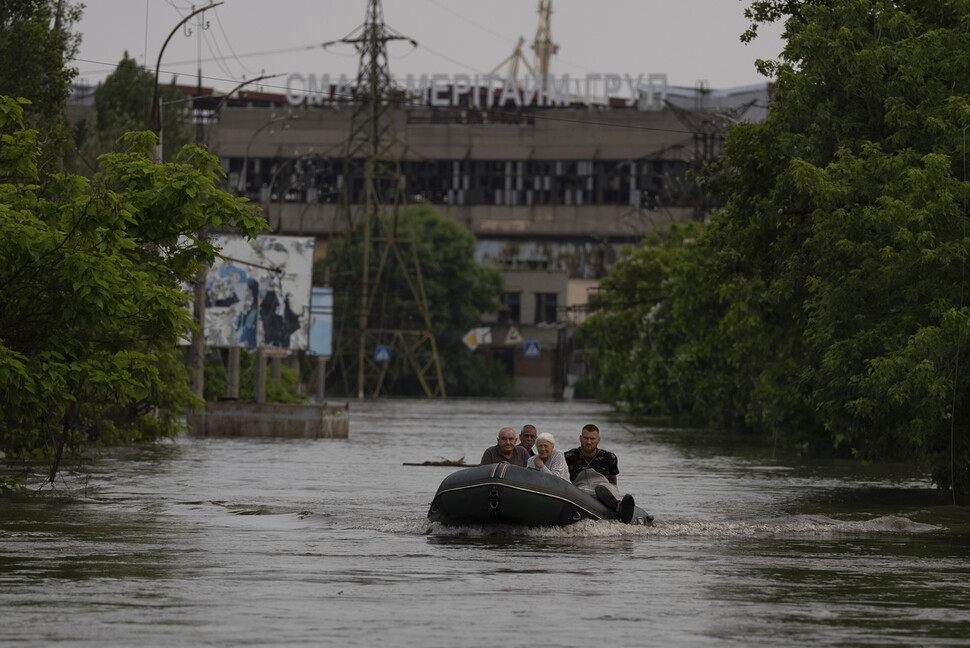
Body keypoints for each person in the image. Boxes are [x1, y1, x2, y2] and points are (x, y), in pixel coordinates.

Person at [564, 423, 636, 523]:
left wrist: (614, 490)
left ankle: (620, 506)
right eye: (586, 438)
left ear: (598, 440)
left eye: (592, 439)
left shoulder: (609, 457)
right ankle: (614, 507)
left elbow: (613, 479)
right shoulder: (569, 456)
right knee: (583, 492)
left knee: (607, 489)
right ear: (580, 438)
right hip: (581, 488)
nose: (589, 442)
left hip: (603, 487)